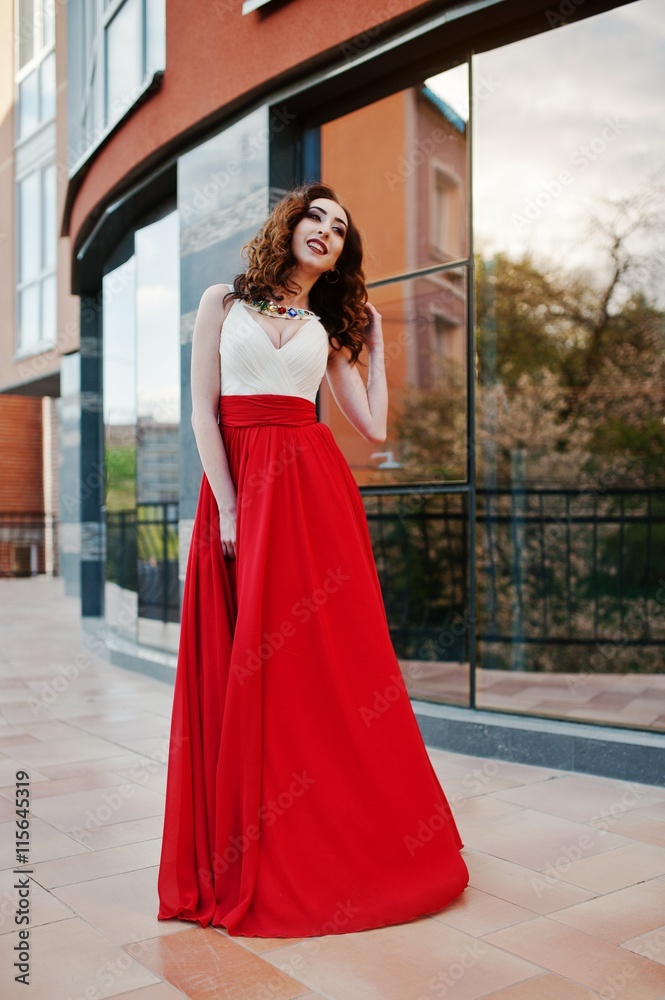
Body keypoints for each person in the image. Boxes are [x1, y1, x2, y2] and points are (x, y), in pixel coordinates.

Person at [156, 181, 469, 938]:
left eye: (339, 228)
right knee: (245, 662)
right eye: (316, 217)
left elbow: (370, 425)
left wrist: (378, 348)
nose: (325, 230)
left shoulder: (325, 330)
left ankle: (342, 833)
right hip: (238, 494)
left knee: (322, 665)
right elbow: (202, 410)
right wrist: (229, 507)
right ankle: (242, 845)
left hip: (312, 497)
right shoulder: (220, 304)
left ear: (339, 257)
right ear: (290, 225)